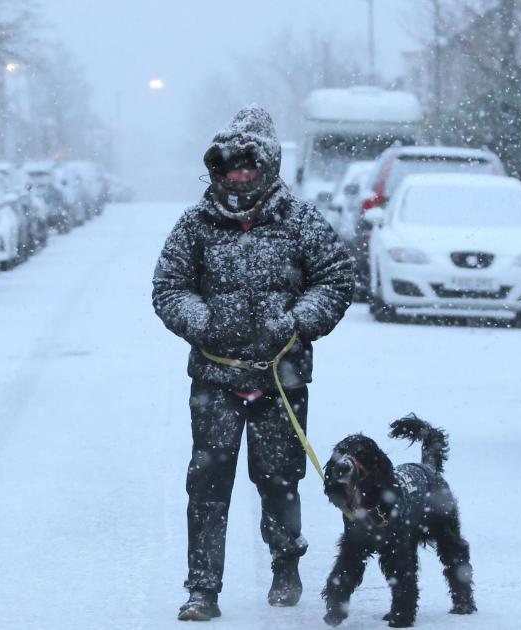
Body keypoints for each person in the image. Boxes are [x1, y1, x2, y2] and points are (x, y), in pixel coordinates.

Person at [152, 106, 354, 622]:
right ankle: (202, 589)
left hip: (280, 378)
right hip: (216, 378)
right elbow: (169, 286)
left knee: (279, 478)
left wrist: (299, 320)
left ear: (268, 166)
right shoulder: (195, 225)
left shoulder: (301, 220)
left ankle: (286, 563)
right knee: (208, 484)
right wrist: (199, 321)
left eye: (248, 164)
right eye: (228, 165)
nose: (238, 174)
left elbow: (334, 278)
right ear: (215, 170)